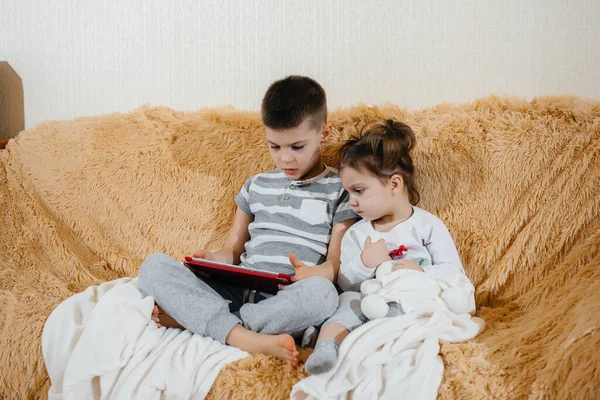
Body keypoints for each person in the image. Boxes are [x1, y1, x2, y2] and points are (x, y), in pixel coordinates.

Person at [137, 75, 358, 366]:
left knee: (324, 296)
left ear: (324, 133)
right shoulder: (256, 185)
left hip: (287, 295)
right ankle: (245, 335)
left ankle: (212, 323)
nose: (285, 159)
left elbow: (335, 265)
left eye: (297, 147)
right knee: (154, 265)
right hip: (237, 288)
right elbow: (233, 250)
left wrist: (316, 274)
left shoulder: (341, 188)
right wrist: (212, 259)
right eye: (274, 147)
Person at [304, 119, 465, 374]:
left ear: (394, 184)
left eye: (359, 191)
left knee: (414, 309)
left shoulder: (427, 225)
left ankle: (388, 347)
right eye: (348, 193)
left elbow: (454, 272)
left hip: (410, 297)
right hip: (369, 299)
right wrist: (365, 263)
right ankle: (326, 347)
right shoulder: (357, 233)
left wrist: (421, 272)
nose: (352, 203)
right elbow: (345, 283)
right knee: (346, 303)